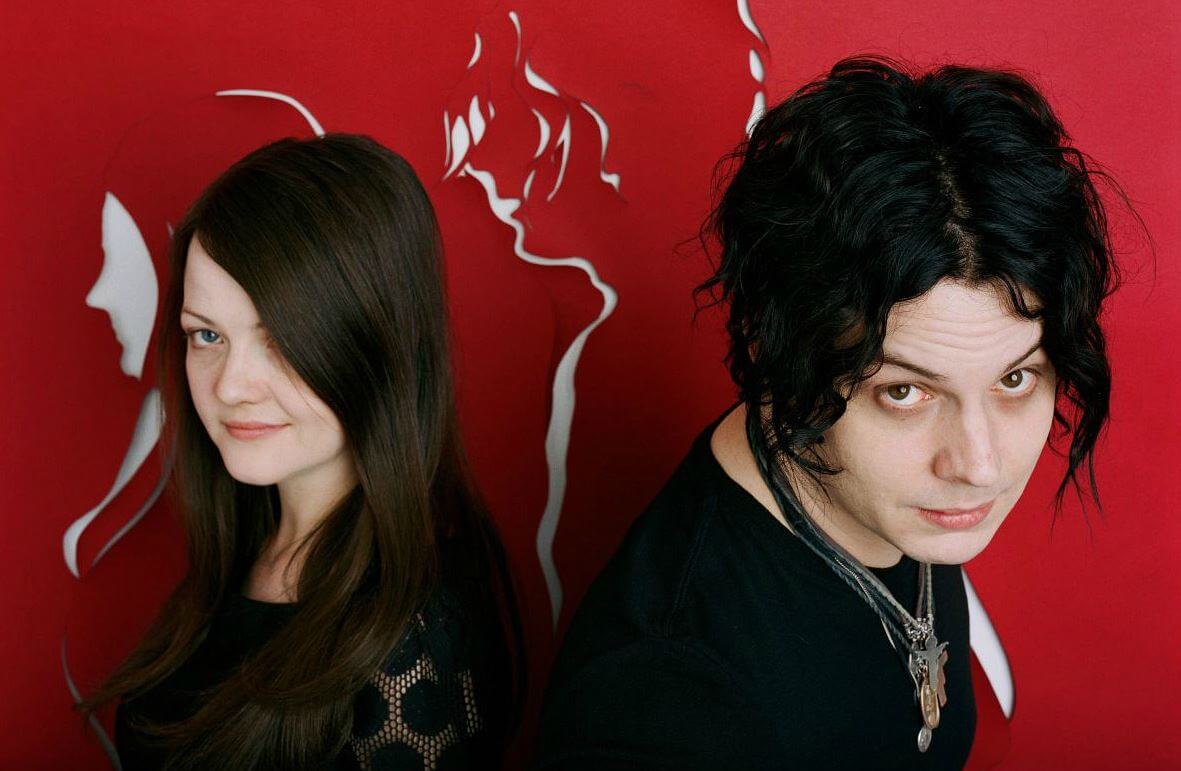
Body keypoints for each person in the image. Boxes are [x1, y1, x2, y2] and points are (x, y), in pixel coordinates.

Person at [534, 55, 1138, 769]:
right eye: (904, 392)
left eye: (1014, 378)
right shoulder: (669, 704)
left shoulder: (894, 503)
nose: (979, 465)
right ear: (786, 353)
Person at [78, 133, 523, 770]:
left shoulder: (416, 642)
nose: (230, 387)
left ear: (377, 341)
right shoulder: (246, 546)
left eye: (280, 338)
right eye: (207, 335)